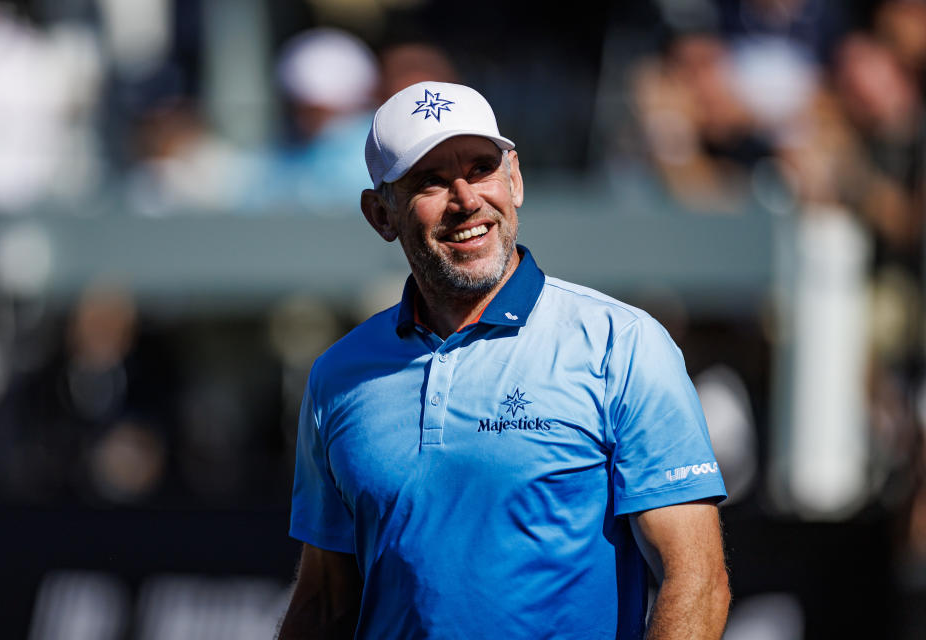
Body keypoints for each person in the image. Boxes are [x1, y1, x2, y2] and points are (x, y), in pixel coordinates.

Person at [279, 81, 731, 639]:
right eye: (431, 181)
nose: (466, 199)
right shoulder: (338, 376)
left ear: (514, 179)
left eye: (481, 168)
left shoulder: (624, 343)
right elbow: (324, 600)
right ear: (381, 214)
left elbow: (696, 579)